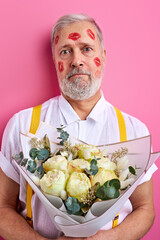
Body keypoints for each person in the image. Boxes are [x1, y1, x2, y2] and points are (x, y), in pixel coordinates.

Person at [0, 14, 157, 240]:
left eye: (86, 49)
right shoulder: (22, 125)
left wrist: (107, 239)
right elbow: (2, 208)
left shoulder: (134, 131)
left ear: (102, 57)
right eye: (65, 51)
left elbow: (145, 209)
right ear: (55, 61)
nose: (76, 60)